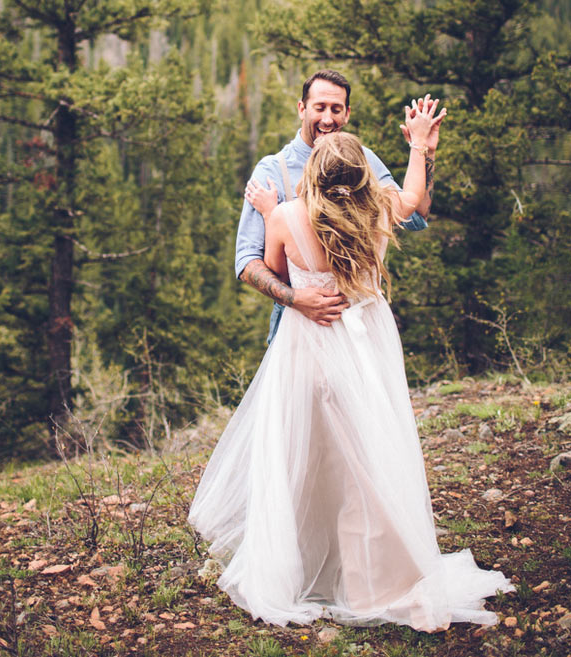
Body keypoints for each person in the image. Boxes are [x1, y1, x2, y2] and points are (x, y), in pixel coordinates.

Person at [189, 102, 513, 629]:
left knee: (303, 453)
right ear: (364, 174)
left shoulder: (288, 216)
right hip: (367, 345)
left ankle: (297, 570)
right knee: (368, 456)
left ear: (313, 172)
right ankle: (373, 579)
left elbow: (275, 273)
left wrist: (273, 211)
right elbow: (412, 200)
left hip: (307, 345)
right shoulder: (378, 209)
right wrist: (418, 144)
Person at [235, 69, 439, 343]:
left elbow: (415, 213)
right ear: (302, 109)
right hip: (297, 329)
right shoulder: (272, 170)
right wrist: (294, 298)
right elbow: (247, 260)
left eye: (336, 109)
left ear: (347, 113)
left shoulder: (363, 159)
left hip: (362, 327)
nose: (328, 119)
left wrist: (429, 153)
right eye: (319, 108)